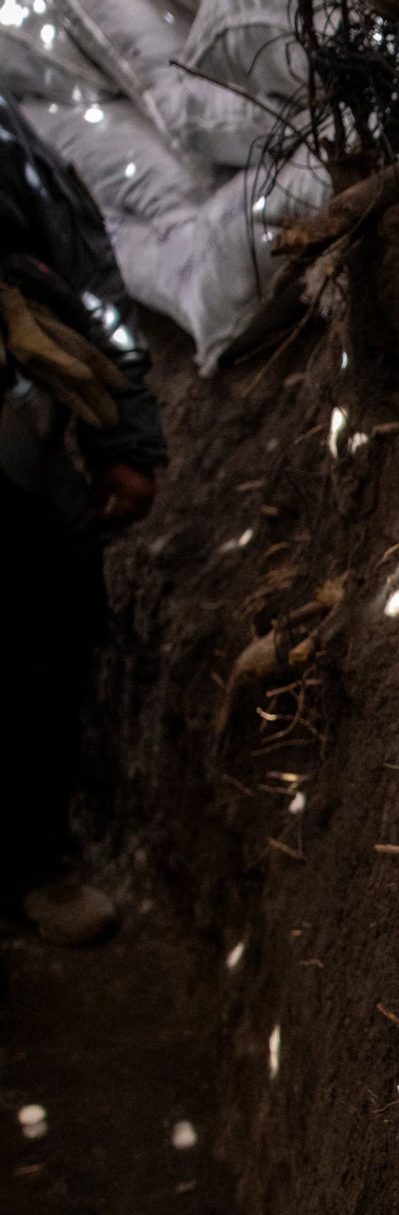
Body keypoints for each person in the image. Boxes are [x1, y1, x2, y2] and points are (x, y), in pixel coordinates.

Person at [0, 89, 165, 944]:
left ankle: (31, 864)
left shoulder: (8, 142)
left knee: (46, 646)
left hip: (16, 460)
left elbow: (86, 272)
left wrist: (125, 440)